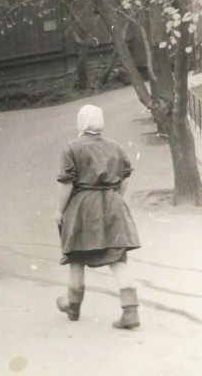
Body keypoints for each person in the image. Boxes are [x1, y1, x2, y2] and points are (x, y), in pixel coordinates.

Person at [54, 104, 142, 329]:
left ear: (81, 122)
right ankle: (130, 310)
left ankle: (73, 305)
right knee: (117, 258)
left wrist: (59, 210)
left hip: (83, 206)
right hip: (113, 204)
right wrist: (114, 197)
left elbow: (67, 183)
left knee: (76, 256)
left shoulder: (71, 148)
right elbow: (126, 178)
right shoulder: (116, 147)